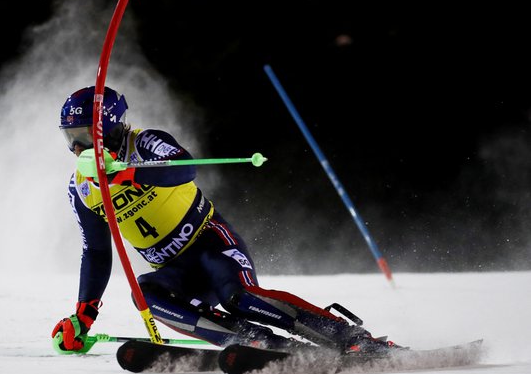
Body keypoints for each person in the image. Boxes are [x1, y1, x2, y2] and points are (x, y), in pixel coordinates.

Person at [51, 86, 401, 354]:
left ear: (107, 129)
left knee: (240, 298)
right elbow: (97, 253)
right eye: (71, 140)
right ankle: (251, 341)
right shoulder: (82, 189)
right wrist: (83, 315)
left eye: (83, 137)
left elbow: (184, 168)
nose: (78, 151)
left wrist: (125, 174)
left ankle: (351, 338)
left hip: (211, 243)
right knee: (145, 293)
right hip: (177, 269)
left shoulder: (143, 142)